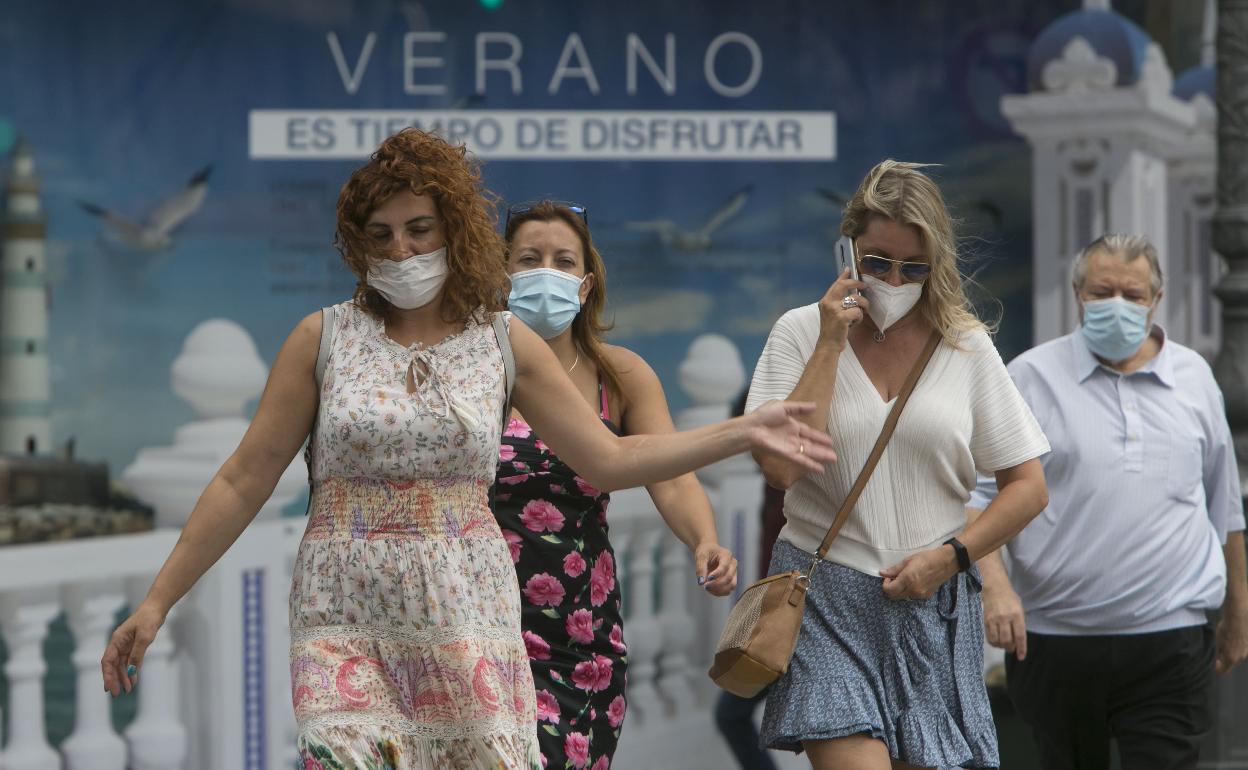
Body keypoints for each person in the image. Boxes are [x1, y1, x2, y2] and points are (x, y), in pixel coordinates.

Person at [98, 128, 836, 769]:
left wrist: (742, 430)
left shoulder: (501, 341)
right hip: (343, 619)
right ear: (357, 243)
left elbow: (607, 461)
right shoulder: (320, 339)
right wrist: (159, 600)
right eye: (380, 234)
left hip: (469, 616)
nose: (402, 249)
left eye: (419, 228)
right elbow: (242, 481)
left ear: (454, 229)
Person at [747, 159, 1050, 770]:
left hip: (932, 600)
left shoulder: (965, 345)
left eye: (913, 267)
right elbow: (779, 472)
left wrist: (954, 559)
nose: (893, 278)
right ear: (847, 250)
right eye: (877, 261)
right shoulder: (799, 332)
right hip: (823, 593)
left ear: (935, 266)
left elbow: (1028, 487)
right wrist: (831, 340)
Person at [968, 233, 1248, 770]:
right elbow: (980, 499)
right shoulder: (1029, 377)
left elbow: (1226, 507)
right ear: (1078, 293)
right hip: (1056, 640)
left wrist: (1238, 613)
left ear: (1155, 300)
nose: (1117, 305)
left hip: (1172, 638)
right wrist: (996, 591)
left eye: (1133, 294)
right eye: (1102, 292)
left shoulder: (1194, 378)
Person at [494, 200, 740, 767]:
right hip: (478, 624)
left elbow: (672, 477)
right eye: (529, 260)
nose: (546, 273)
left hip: (580, 633)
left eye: (563, 262)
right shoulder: (475, 370)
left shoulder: (619, 375)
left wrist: (703, 540)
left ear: (585, 286)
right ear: (501, 277)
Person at [712, 389, 784, 770]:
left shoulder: (796, 486)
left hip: (797, 630)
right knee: (730, 716)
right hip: (774, 628)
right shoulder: (772, 485)